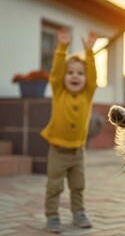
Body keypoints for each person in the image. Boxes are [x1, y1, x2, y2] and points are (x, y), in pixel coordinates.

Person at [40, 28, 97, 233]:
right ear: (63, 78)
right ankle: (52, 216)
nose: (75, 76)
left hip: (77, 152)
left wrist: (89, 54)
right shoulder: (59, 91)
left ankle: (79, 212)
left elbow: (92, 77)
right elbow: (55, 73)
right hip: (57, 151)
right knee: (54, 187)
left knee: (78, 186)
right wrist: (62, 48)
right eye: (71, 73)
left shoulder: (87, 94)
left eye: (80, 74)